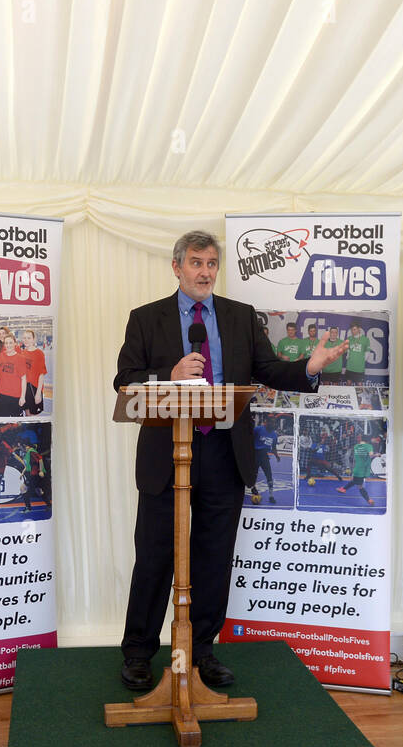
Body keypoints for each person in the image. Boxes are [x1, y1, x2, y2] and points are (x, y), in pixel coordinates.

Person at [112, 230, 348, 691]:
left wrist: (308, 369)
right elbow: (125, 379)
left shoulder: (238, 317)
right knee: (156, 557)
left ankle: (201, 653)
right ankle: (139, 653)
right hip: (167, 453)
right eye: (196, 263)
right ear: (177, 267)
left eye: (211, 264)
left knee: (213, 559)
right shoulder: (146, 318)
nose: (205, 272)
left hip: (224, 451)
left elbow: (268, 370)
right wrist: (169, 374)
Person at [0, 334, 27, 417]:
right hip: (2, 395)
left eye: (10, 343)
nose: (8, 345)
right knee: (2, 424)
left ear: (15, 344)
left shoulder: (21, 358)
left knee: (15, 425)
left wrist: (23, 396)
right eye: (6, 343)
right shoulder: (0, 356)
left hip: (15, 396)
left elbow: (24, 379)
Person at [251, 420, 280, 505]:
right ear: (266, 422)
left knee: (269, 476)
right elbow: (249, 439)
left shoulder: (274, 435)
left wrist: (276, 455)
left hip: (264, 456)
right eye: (271, 422)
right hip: (255, 454)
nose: (273, 424)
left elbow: (273, 447)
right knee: (253, 474)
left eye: (274, 422)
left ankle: (271, 496)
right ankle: (253, 487)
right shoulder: (258, 429)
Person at [20, 329, 47, 415]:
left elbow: (41, 374)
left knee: (33, 417)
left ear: (33, 339)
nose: (26, 340)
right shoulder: (22, 353)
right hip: (25, 388)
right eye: (24, 338)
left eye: (29, 338)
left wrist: (38, 393)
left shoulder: (39, 353)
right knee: (27, 414)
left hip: (34, 388)